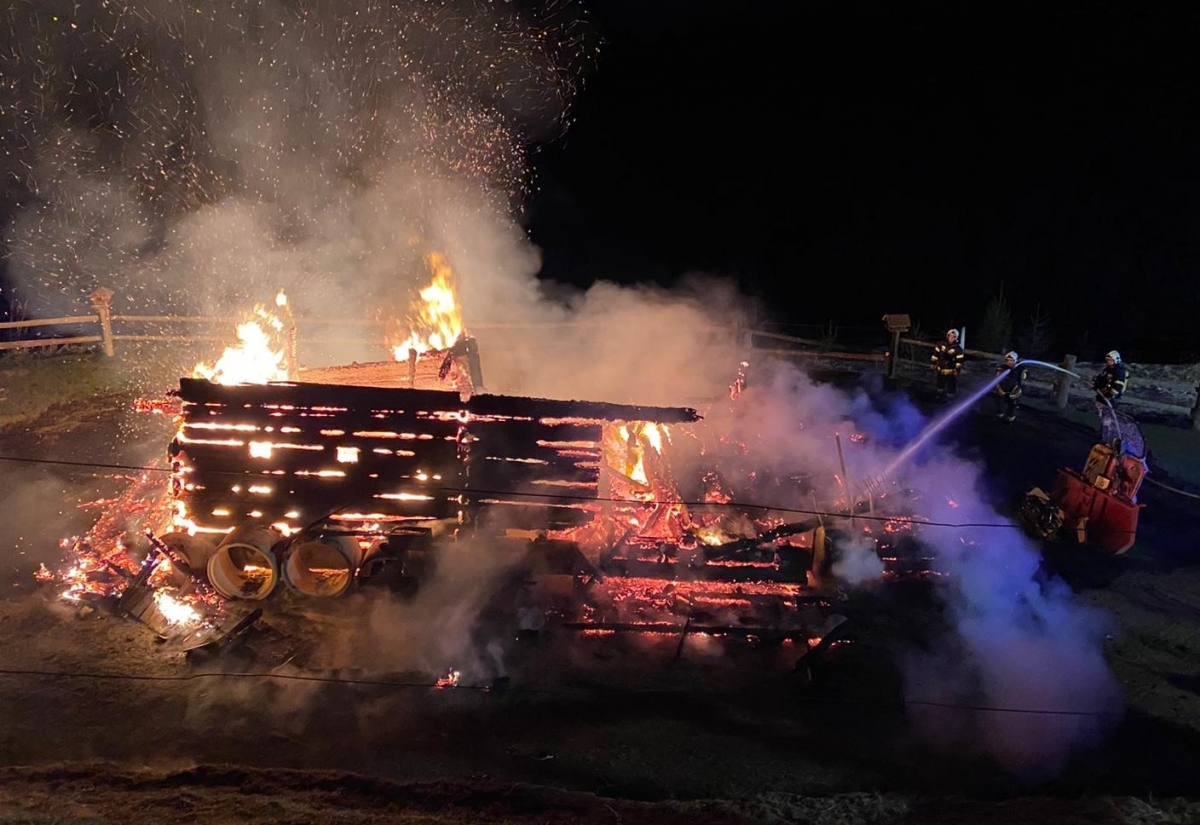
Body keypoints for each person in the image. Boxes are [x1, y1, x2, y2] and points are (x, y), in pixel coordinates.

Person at [930, 328, 965, 397]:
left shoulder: (957, 349)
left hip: (951, 372)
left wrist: (957, 370)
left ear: (956, 338)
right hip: (941, 370)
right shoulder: (941, 344)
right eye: (950, 335)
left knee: (951, 390)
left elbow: (959, 361)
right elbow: (935, 355)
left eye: (953, 337)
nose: (951, 338)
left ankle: (950, 402)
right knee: (940, 388)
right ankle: (939, 399)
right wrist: (933, 363)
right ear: (947, 336)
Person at [995, 351, 1026, 421]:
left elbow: (1023, 377)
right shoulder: (1002, 368)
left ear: (1015, 360)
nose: (1010, 362)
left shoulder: (1019, 368)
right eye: (1008, 360)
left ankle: (1010, 419)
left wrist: (1023, 372)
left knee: (1012, 407)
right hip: (1002, 390)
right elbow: (997, 379)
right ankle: (999, 417)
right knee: (1000, 406)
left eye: (1012, 360)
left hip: (1014, 391)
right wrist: (999, 388)